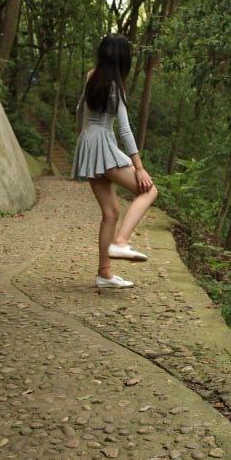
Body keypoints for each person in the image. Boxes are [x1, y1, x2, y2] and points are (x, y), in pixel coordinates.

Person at [71, 34, 158, 289]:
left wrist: (84, 141)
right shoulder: (115, 84)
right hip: (103, 143)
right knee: (150, 190)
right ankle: (121, 242)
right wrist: (139, 167)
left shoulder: (91, 75)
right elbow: (125, 130)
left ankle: (104, 274)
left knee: (111, 212)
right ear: (123, 59)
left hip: (88, 142)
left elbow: (79, 111)